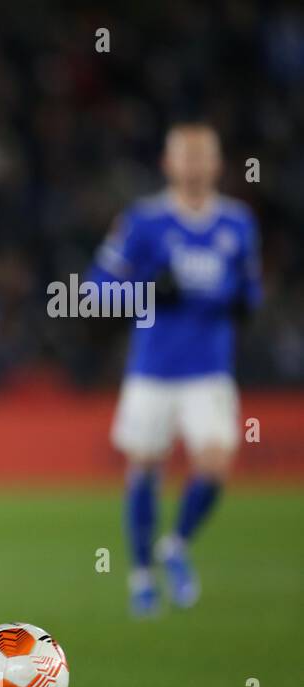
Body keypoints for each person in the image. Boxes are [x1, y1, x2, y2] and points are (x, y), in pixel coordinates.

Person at [89, 123, 262, 616]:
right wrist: (148, 292)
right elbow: (94, 289)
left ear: (216, 163)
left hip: (209, 368)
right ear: (168, 164)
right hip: (153, 368)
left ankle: (176, 545)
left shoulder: (237, 223)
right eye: (184, 157)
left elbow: (250, 289)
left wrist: (244, 303)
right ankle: (141, 576)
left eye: (202, 156)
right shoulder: (143, 222)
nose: (193, 165)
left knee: (216, 462)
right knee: (143, 466)